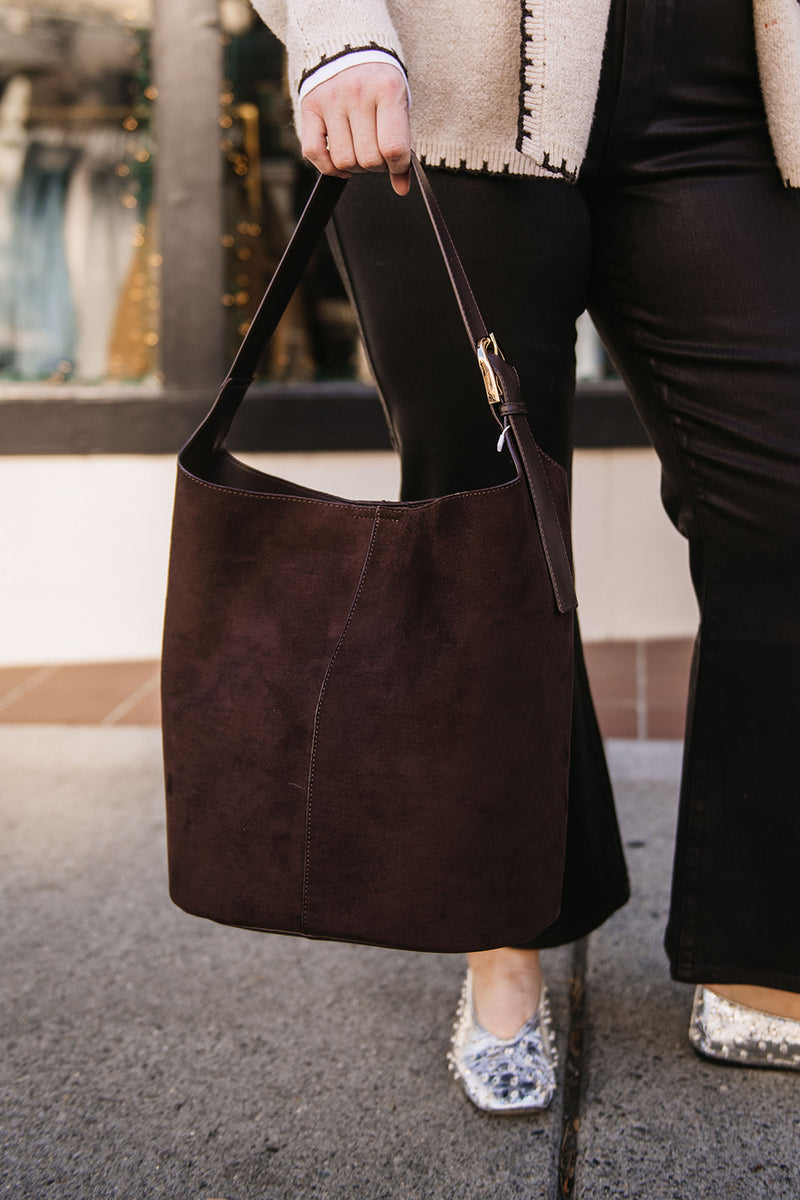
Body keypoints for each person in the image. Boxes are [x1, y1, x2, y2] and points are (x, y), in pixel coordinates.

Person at [250, 0, 800, 1112]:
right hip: (455, 81)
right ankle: (502, 943)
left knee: (785, 498)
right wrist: (333, 28)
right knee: (482, 526)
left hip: (726, 87)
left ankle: (763, 947)